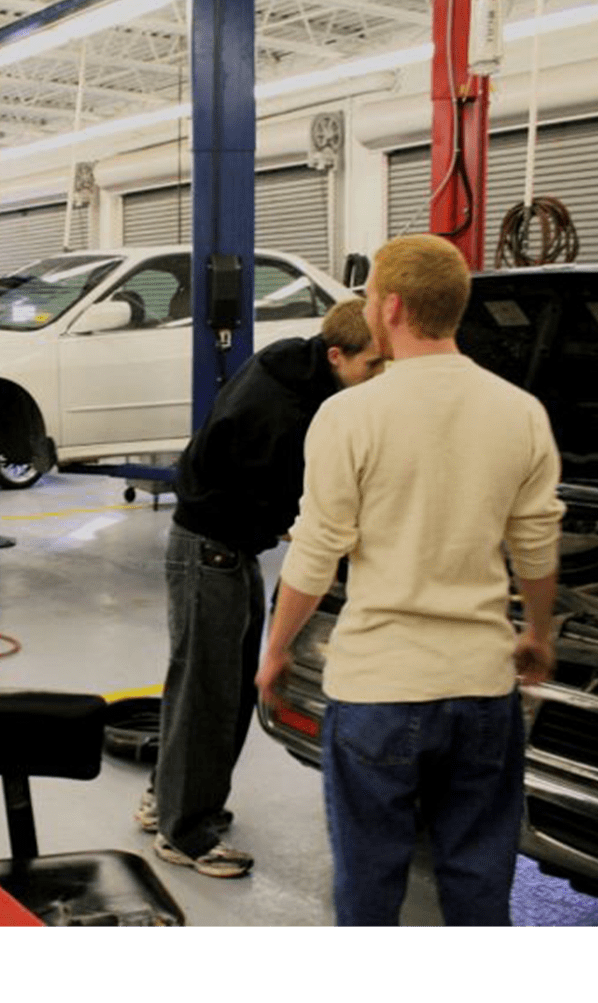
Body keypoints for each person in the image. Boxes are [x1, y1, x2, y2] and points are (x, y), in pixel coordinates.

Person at [256, 233, 564, 925]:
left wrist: (277, 648)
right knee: (479, 887)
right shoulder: (520, 412)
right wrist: (538, 634)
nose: (364, 308)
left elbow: (315, 552)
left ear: (390, 307)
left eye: (366, 296)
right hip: (483, 688)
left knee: (369, 887)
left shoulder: (350, 415)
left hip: (379, 691)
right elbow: (537, 546)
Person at [138, 297, 383, 878]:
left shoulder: (289, 363)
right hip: (212, 550)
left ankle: (165, 798)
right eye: (373, 366)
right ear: (336, 355)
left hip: (223, 548)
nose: (380, 378)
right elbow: (292, 504)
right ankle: (185, 835)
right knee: (211, 694)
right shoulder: (290, 414)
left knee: (207, 687)